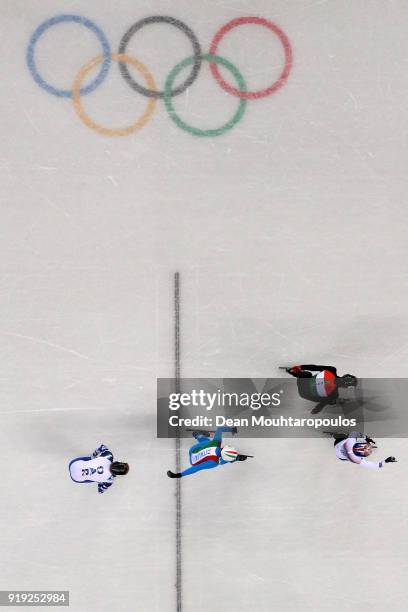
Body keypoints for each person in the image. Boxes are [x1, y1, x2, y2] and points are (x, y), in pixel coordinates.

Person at [167, 427, 250, 479]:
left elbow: (220, 428)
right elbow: (196, 468)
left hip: (193, 450)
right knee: (219, 460)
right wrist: (179, 475)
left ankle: (198, 435)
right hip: (194, 461)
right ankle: (235, 459)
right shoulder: (213, 462)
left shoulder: (217, 442)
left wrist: (232, 429)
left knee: (208, 442)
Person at [285, 364, 357, 414]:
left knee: (307, 374)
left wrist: (301, 367)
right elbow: (322, 403)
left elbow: (315, 367)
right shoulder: (334, 394)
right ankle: (295, 373)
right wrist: (316, 410)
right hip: (304, 392)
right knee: (307, 375)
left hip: (304, 388)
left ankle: (295, 372)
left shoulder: (332, 370)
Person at [332, 432, 397, 469]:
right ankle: (336, 435)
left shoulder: (351, 442)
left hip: (338, 444)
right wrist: (386, 461)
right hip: (340, 455)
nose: (370, 450)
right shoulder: (356, 459)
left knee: (348, 436)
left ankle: (334, 435)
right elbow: (377, 466)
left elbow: (355, 433)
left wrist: (366, 438)